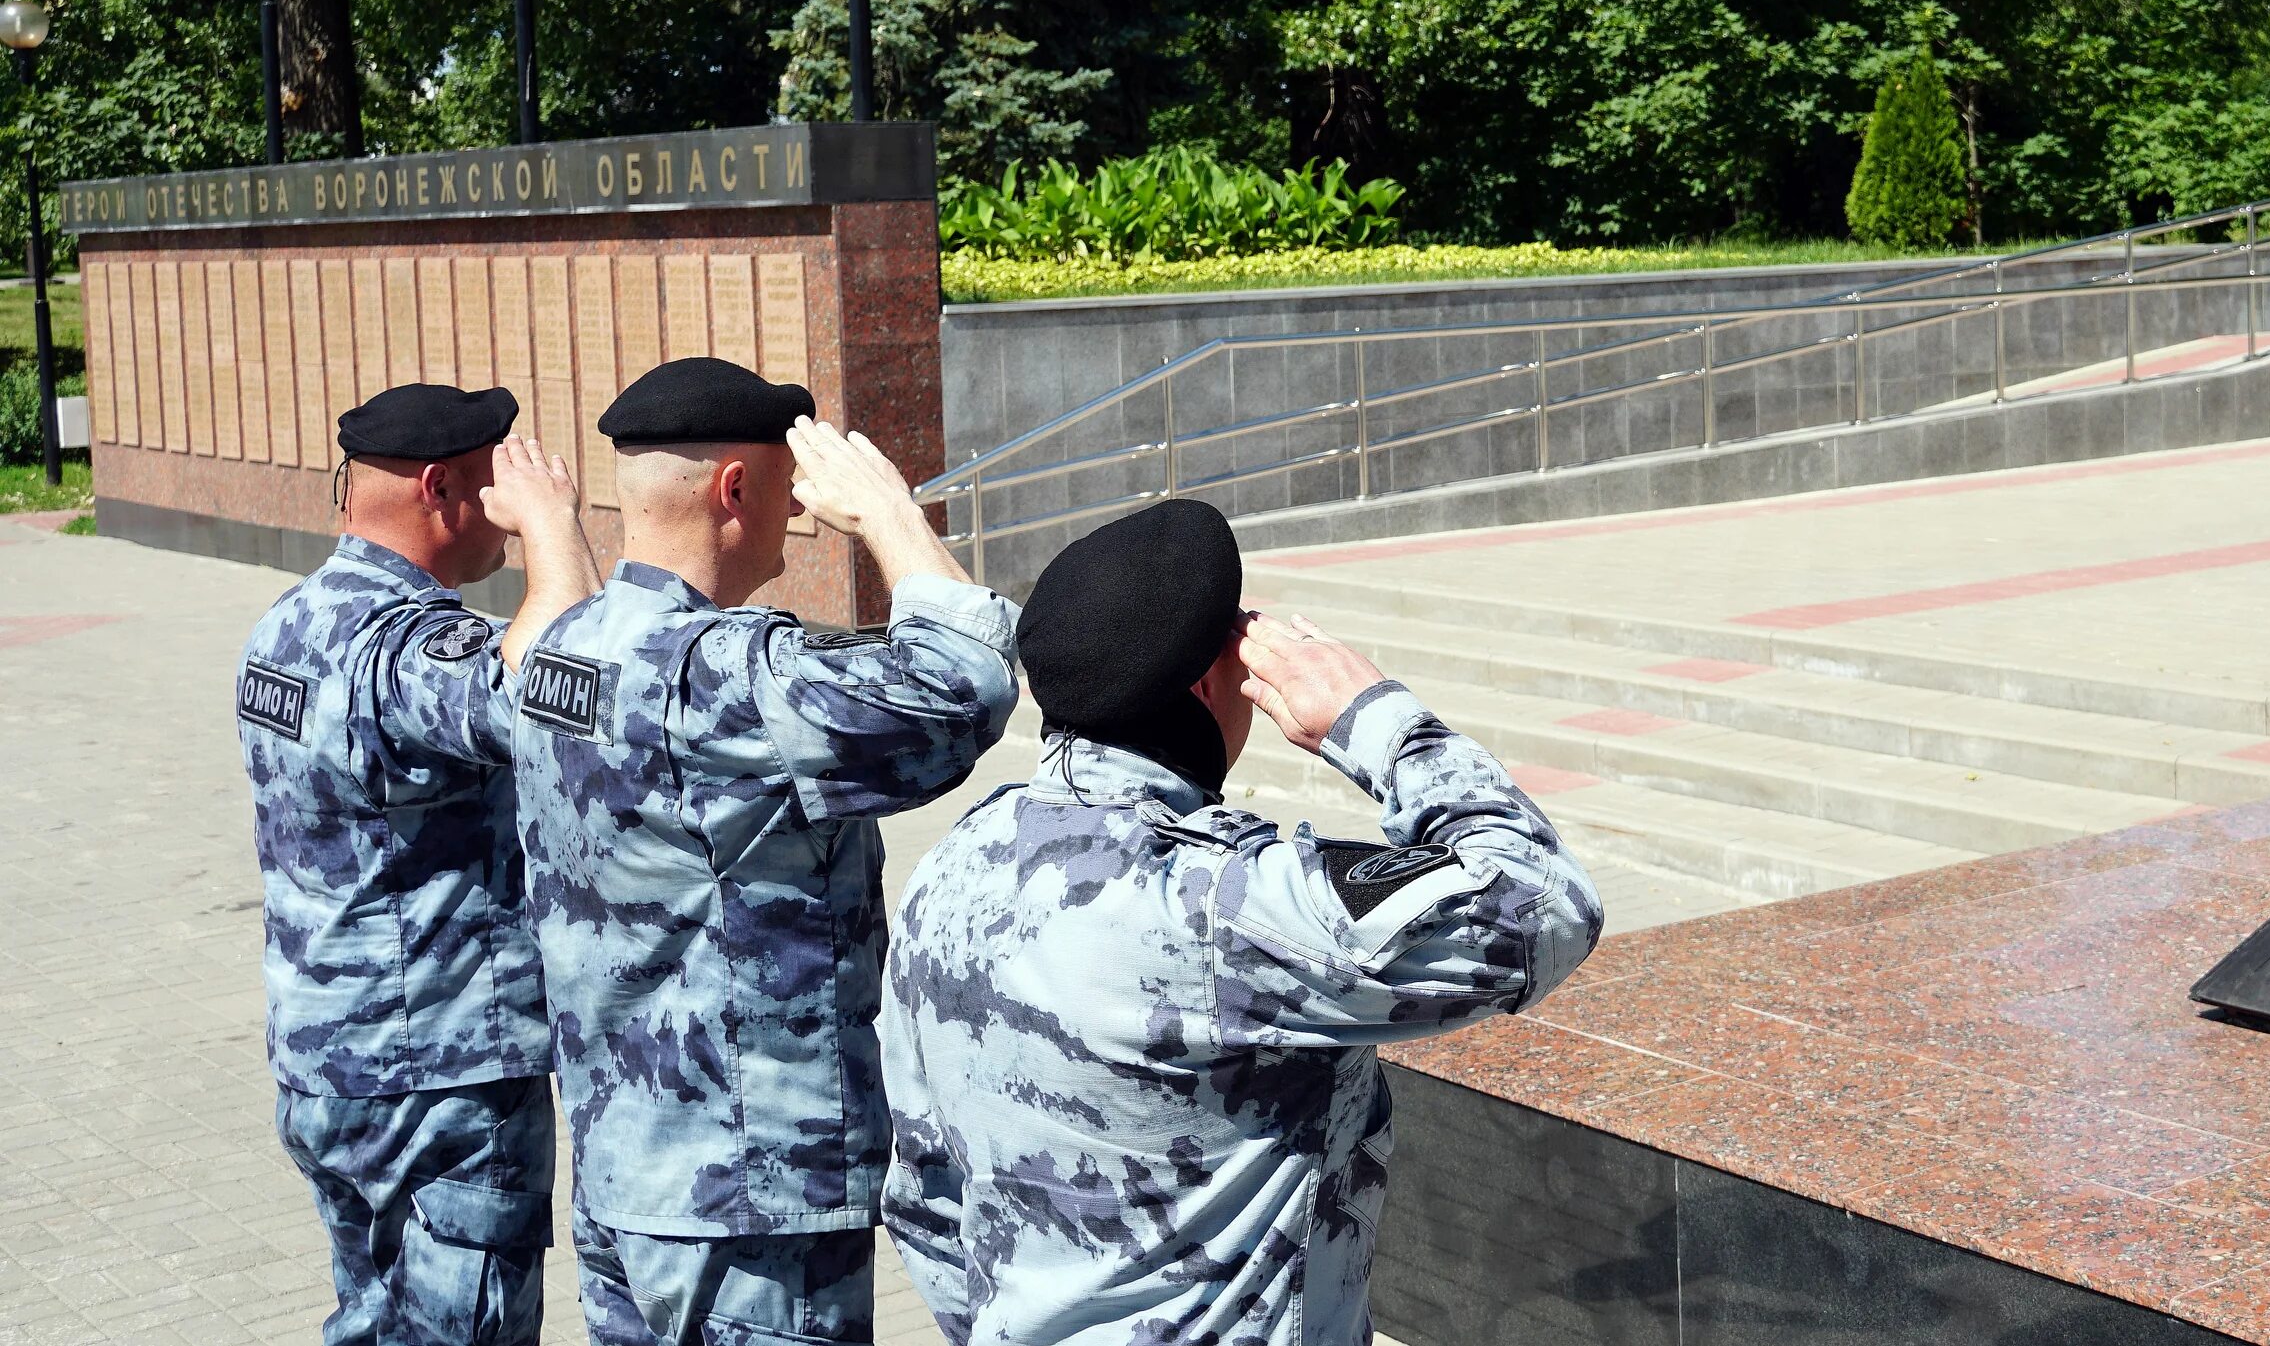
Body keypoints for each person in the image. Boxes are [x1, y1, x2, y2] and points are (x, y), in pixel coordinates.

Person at [878, 497, 1604, 1346]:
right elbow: (1543, 903)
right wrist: (1372, 717)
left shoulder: (955, 863)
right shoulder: (1220, 901)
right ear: (1210, 678)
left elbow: (923, 1196)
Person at [506, 356, 1020, 1346]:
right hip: (749, 1204)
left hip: (625, 1177)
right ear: (737, 488)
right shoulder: (724, 677)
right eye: (787, 481)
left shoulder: (562, 649)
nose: (799, 509)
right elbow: (964, 687)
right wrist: (888, 518)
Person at [235, 383, 603, 1346]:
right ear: (442, 489)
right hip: (435, 1078)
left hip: (326, 1063)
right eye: (497, 484)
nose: (509, 503)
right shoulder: (407, 646)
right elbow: (560, 684)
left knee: (374, 1326)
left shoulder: (286, 625)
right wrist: (555, 533)